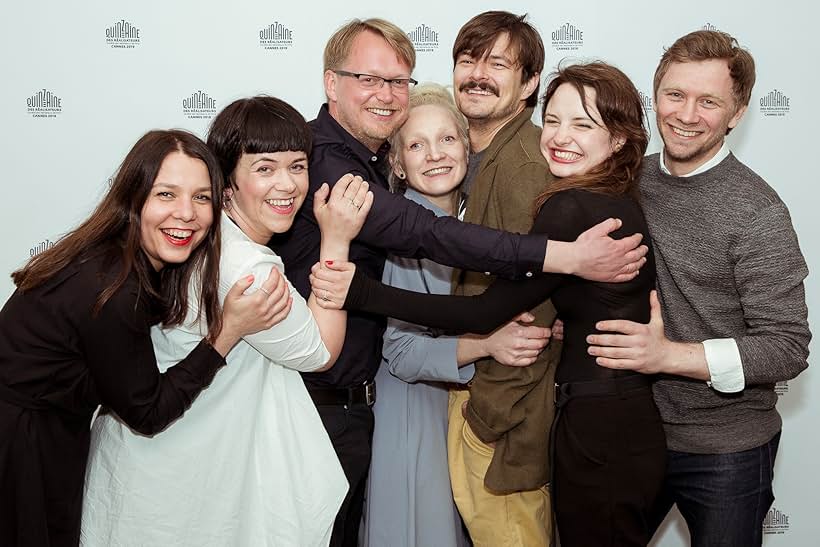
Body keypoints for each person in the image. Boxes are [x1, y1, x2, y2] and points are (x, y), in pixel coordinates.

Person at [268, 17, 647, 546]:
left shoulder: (523, 173)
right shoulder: (338, 169)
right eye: (368, 79)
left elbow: (507, 305)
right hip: (367, 407)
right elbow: (424, 252)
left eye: (397, 81)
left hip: (481, 416)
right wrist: (560, 263)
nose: (435, 154)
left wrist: (555, 311)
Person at [81, 97, 372, 547]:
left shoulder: (195, 237)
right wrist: (336, 240)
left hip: (151, 468)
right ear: (227, 181)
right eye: (264, 168)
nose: (287, 183)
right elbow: (320, 352)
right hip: (181, 479)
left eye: (297, 166)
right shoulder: (249, 270)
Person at [0, 129, 287, 547]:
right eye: (166, 195)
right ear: (134, 198)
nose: (186, 213)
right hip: (19, 445)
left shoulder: (117, 257)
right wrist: (227, 333)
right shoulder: (113, 286)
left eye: (201, 197)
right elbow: (148, 412)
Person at [586, 30, 811, 547]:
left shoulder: (758, 212)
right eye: (675, 94)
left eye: (708, 101)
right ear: (655, 94)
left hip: (725, 449)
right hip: (630, 430)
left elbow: (786, 348)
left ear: (736, 114)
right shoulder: (624, 181)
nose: (686, 114)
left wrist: (667, 356)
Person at [360, 84, 550, 547]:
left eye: (446, 139)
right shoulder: (403, 236)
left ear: (467, 147)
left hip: (464, 412)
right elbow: (401, 353)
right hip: (412, 414)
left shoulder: (477, 221)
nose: (434, 155)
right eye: (416, 145)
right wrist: (487, 343)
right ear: (398, 164)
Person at [446, 12, 559, 546]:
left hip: (501, 415)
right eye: (468, 59)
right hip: (472, 388)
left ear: (530, 83)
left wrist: (487, 418)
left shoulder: (525, 163)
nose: (478, 73)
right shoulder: (460, 155)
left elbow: (534, 312)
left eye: (498, 63)